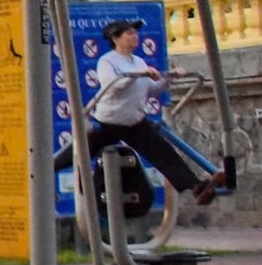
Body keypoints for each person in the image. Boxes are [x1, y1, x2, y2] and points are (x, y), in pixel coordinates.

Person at [54, 18, 225, 208]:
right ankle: (44, 172)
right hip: (108, 122)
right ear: (115, 38)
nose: (135, 36)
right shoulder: (107, 61)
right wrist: (138, 75)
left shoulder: (138, 61)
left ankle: (196, 188)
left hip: (134, 122)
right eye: (129, 33)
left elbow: (149, 89)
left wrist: (170, 78)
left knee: (163, 152)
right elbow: (113, 87)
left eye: (135, 33)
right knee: (78, 153)